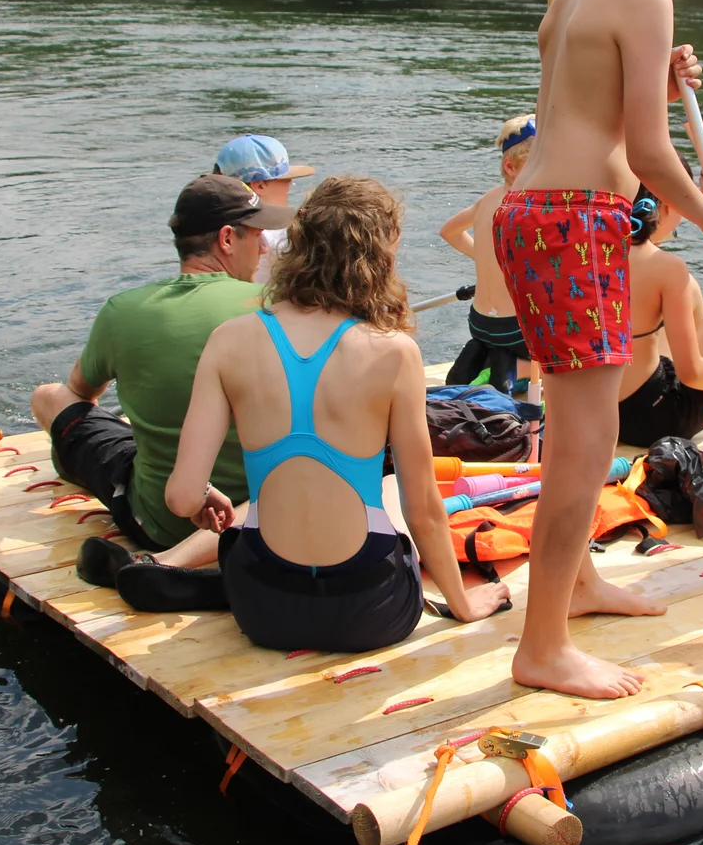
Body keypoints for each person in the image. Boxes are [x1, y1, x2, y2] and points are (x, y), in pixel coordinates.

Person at [493, 0, 703, 699]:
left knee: (581, 430)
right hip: (574, 223)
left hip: (541, 215)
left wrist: (657, 70)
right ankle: (542, 647)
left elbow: (572, 90)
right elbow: (645, 149)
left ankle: (579, 585)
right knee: (585, 441)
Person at [166, 176, 511, 652]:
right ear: (379, 257)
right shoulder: (394, 353)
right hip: (371, 612)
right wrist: (463, 603)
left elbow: (183, 498)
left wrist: (204, 494)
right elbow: (424, 510)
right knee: (387, 493)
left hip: (263, 612)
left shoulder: (230, 340)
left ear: (298, 248)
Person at [29, 176, 293, 597]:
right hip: (264, 516)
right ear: (227, 238)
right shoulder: (280, 308)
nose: (263, 248)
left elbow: (80, 393)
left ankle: (75, 463)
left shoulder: (122, 311)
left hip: (155, 523)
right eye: (258, 235)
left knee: (48, 397)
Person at [439, 114, 539, 396]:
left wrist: (484, 257)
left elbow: (449, 231)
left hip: (479, 323)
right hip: (513, 330)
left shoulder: (488, 199)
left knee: (494, 337)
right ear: (511, 167)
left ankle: (482, 354)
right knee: (569, 339)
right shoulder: (532, 209)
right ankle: (512, 369)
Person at [617, 186, 703, 447]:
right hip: (655, 420)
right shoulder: (667, 267)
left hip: (598, 413)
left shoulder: (585, 254)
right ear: (661, 210)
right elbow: (692, 374)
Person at [213, 134, 316, 287]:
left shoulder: (215, 225)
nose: (290, 183)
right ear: (260, 186)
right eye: (285, 179)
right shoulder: (277, 236)